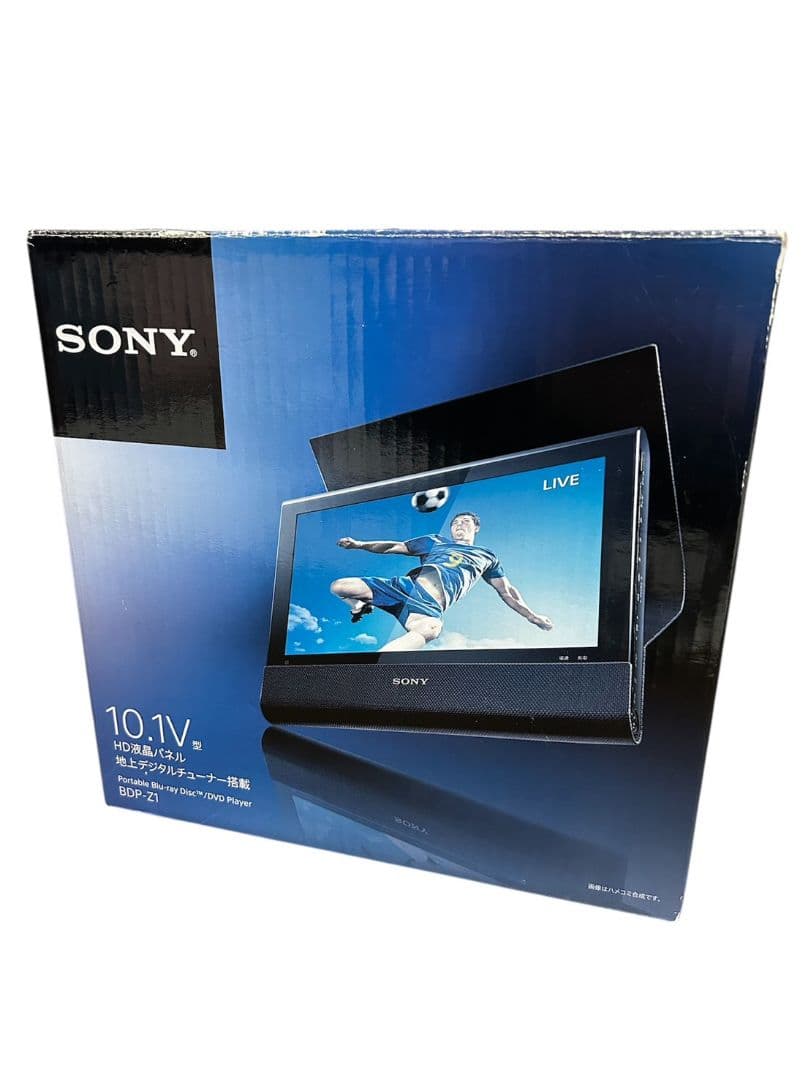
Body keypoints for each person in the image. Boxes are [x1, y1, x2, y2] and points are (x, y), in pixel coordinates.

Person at [330, 510, 553, 652]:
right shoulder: (435, 541)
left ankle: (376, 668)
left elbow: (506, 591)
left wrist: (532, 616)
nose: (459, 525)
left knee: (430, 629)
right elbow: (395, 546)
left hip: (427, 605)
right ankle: (361, 605)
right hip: (402, 588)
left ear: (476, 527)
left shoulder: (486, 556)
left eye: (465, 522)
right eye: (455, 522)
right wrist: (359, 544)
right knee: (339, 586)